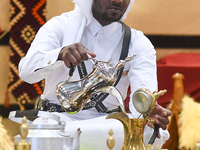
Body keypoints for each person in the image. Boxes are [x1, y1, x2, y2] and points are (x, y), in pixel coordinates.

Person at [18, 0, 171, 149]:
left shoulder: (138, 42)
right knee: (48, 133)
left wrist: (147, 114)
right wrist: (59, 54)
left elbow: (143, 97)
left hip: (109, 123)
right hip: (58, 119)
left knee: (150, 131)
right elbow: (26, 72)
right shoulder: (60, 26)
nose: (118, 1)